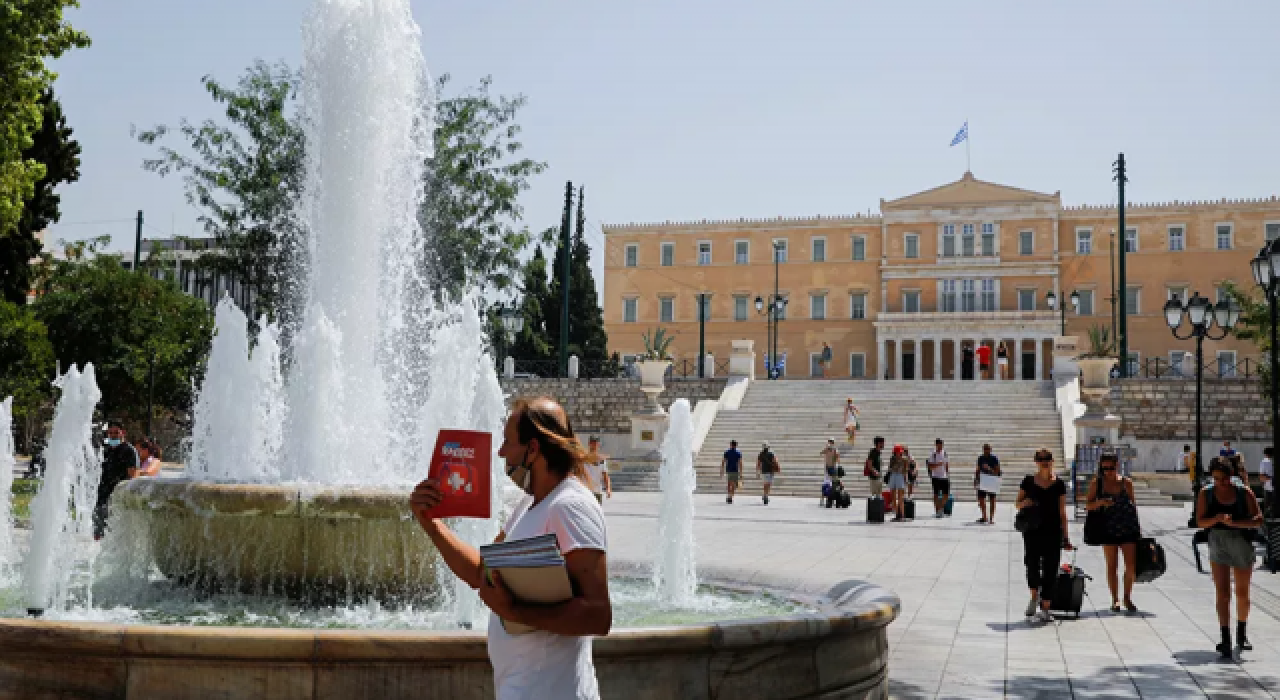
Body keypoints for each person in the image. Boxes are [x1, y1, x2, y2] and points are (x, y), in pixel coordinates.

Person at [410, 397, 610, 698]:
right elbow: (482, 572)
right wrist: (430, 523)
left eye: (508, 443)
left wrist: (514, 610)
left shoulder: (571, 506)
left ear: (533, 449)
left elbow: (597, 615)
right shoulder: (531, 504)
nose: (501, 452)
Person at [1196, 458, 1264, 659]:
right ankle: (1225, 638)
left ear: (1231, 476)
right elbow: (1200, 521)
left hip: (1241, 543)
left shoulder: (1244, 492)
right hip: (1218, 542)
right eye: (1217, 479)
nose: (1221, 483)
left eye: (1224, 479)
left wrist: (1237, 524)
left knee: (1242, 593)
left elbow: (1259, 519)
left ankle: (1241, 633)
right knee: (1222, 593)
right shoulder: (1206, 493)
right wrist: (1216, 519)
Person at [1016, 449, 1071, 623]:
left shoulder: (1059, 484)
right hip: (1032, 530)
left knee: (1051, 568)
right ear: (1036, 461)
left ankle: (1046, 607)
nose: (1044, 462)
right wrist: (1024, 503)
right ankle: (1034, 596)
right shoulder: (1029, 481)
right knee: (1031, 563)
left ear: (1052, 461)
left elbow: (1063, 512)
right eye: (1040, 459)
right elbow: (1017, 504)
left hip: (1053, 531)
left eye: (1047, 459)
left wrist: (1066, 537)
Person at [1085, 453, 1142, 612]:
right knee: (1112, 565)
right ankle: (1115, 599)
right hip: (1107, 527)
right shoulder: (1097, 483)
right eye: (1104, 468)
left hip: (1127, 528)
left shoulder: (1126, 483)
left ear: (1117, 465)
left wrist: (1138, 529)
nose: (1108, 471)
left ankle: (1127, 597)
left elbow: (1133, 505)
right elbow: (1088, 505)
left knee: (1131, 566)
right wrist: (1101, 502)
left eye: (1111, 468)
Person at [94, 421, 139, 540]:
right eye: (110, 433)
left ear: (123, 433)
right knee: (98, 530)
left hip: (116, 497)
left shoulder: (129, 451)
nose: (113, 435)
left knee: (111, 531)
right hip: (102, 495)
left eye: (116, 432)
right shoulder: (107, 450)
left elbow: (132, 477)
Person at [974, 444, 1002, 524]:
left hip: (992, 480)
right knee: (981, 499)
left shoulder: (994, 458)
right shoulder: (981, 458)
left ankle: (991, 518)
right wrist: (976, 479)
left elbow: (997, 471)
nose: (986, 450)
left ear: (990, 449)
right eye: (985, 449)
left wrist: (989, 469)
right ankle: (984, 516)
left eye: (988, 449)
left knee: (992, 499)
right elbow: (978, 469)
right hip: (983, 479)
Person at [583, 436, 612, 506]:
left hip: (597, 491)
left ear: (598, 445)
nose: (594, 446)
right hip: (585, 491)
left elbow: (605, 475)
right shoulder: (583, 458)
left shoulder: (602, 460)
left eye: (596, 444)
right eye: (592, 443)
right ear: (589, 444)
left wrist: (608, 488)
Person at [928, 439, 950, 518]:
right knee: (936, 494)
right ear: (936, 445)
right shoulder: (932, 454)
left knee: (946, 494)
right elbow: (930, 466)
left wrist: (947, 473)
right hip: (935, 476)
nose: (940, 446)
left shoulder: (945, 453)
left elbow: (947, 464)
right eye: (939, 444)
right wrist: (938, 464)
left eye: (941, 444)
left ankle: (940, 507)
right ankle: (937, 511)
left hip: (944, 476)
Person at [887, 445, 909, 522]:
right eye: (896, 452)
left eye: (899, 452)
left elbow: (906, 470)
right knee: (893, 496)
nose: (898, 454)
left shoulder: (905, 459)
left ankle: (902, 515)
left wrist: (905, 478)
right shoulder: (892, 459)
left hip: (900, 476)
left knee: (900, 497)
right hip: (893, 475)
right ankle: (896, 514)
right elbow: (889, 468)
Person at [720, 440, 743, 504]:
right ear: (736, 445)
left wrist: (721, 470)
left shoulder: (727, 452)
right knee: (734, 485)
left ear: (731, 445)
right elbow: (740, 463)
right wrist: (741, 472)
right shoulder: (738, 453)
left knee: (729, 483)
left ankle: (729, 496)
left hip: (729, 470)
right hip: (735, 470)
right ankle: (731, 496)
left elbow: (723, 461)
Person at [1260, 447, 1275, 518]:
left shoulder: (1264, 462)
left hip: (1268, 488)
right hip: (1271, 487)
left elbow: (1262, 476)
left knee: (1268, 507)